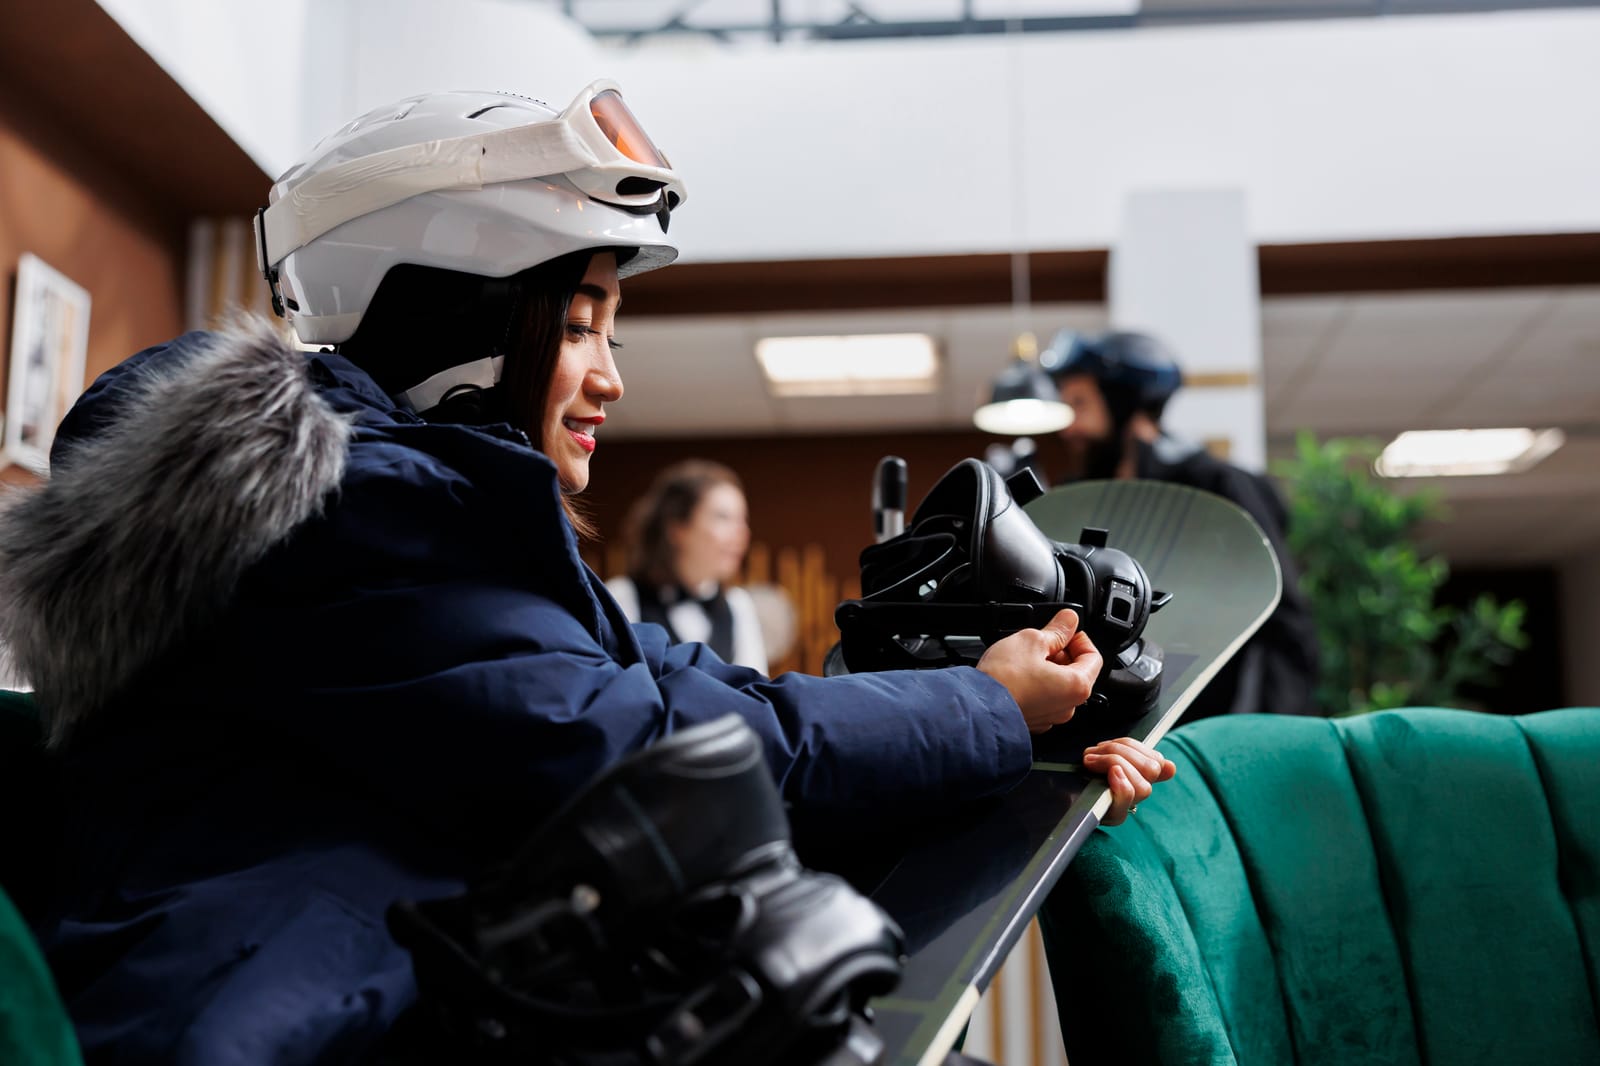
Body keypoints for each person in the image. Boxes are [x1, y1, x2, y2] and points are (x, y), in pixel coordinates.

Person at [0, 83, 1175, 1064]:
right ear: (456, 317)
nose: (610, 375)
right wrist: (981, 707)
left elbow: (681, 692)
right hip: (289, 1028)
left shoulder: (431, 525)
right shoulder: (348, 521)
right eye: (578, 324)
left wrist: (992, 726)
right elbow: (643, 754)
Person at [1042, 328, 1322, 719]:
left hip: (1212, 719)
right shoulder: (1082, 497)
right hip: (1111, 719)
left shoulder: (1214, 486)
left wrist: (1266, 728)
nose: (1069, 426)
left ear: (1123, 403)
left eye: (1080, 403)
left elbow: (1283, 621)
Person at [606, 459, 768, 673]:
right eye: (723, 518)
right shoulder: (621, 597)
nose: (741, 534)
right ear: (677, 528)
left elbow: (754, 688)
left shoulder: (738, 606)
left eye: (742, 520)